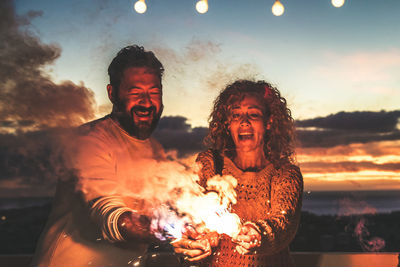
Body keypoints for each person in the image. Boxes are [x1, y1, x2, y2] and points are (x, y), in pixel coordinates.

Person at [30, 45, 198, 267]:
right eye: (135, 92)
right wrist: (174, 231)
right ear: (112, 93)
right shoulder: (90, 140)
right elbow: (108, 214)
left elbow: (153, 210)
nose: (147, 102)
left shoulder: (154, 148)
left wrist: (190, 226)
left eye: (154, 92)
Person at [173, 80, 303, 267]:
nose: (244, 122)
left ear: (269, 122)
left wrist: (259, 233)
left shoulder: (285, 174)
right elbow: (189, 221)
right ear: (227, 123)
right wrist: (193, 240)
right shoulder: (209, 164)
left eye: (253, 114)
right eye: (236, 115)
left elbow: (284, 224)